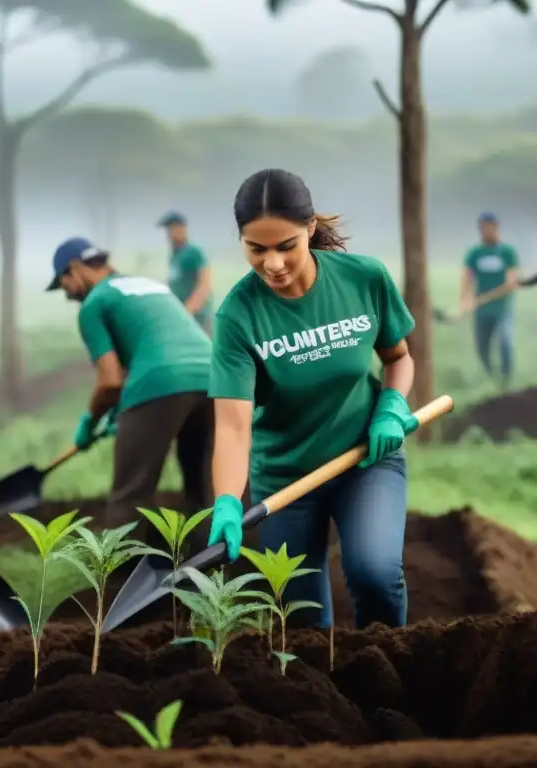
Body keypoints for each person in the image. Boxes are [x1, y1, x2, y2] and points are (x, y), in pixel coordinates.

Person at [206, 168, 417, 631]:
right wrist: (226, 501)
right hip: (285, 478)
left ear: (310, 230)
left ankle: (389, 679)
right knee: (299, 616)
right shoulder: (238, 316)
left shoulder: (364, 278)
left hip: (366, 457)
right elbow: (233, 426)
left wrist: (391, 407)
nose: (273, 264)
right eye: (256, 249)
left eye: (286, 246)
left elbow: (398, 359)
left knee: (376, 574)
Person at [46, 236, 214, 534]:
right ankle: (216, 569)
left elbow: (110, 382)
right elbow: (144, 346)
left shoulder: (94, 303)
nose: (67, 295)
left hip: (160, 382)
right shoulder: (151, 287)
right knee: (206, 491)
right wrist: (124, 407)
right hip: (215, 379)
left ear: (74, 269)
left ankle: (123, 575)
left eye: (63, 284)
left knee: (131, 496)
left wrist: (90, 420)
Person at [460, 212, 519, 389]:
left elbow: (511, 281)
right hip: (481, 311)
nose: (488, 232)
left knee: (505, 341)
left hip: (502, 309)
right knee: (482, 349)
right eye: (484, 228)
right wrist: (465, 300)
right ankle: (491, 377)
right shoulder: (475, 254)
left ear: (497, 228)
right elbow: (467, 278)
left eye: (491, 228)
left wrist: (505, 286)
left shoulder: (507, 252)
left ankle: (506, 380)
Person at [157, 211, 214, 335]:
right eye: (168, 230)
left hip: (198, 319)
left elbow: (204, 286)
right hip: (181, 318)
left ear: (182, 228)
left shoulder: (194, 253)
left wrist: (186, 311)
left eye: (172, 228)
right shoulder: (174, 256)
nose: (169, 234)